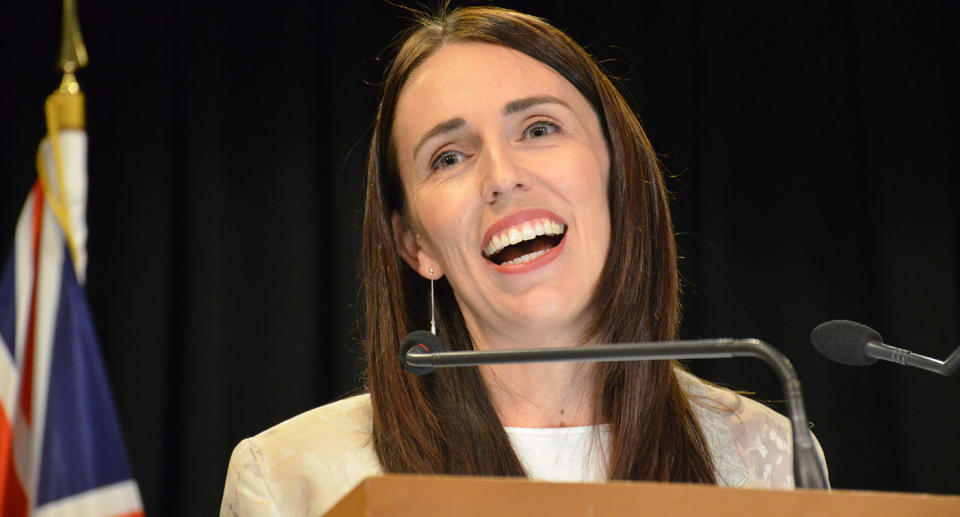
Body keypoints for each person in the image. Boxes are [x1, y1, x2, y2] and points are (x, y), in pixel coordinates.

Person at [220, 5, 826, 516]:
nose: (502, 177)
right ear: (416, 245)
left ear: (618, 176)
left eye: (538, 129)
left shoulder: (767, 454)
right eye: (448, 157)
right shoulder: (290, 481)